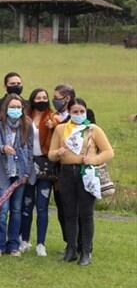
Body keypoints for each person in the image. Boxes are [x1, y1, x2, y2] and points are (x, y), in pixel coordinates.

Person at [49, 98, 113, 266]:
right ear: (69, 112)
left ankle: (86, 251)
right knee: (69, 212)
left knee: (86, 214)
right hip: (67, 173)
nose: (78, 114)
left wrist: (93, 159)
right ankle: (71, 248)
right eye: (75, 112)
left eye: (81, 111)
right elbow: (51, 153)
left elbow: (108, 152)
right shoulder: (61, 129)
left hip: (86, 173)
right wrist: (58, 153)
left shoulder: (92, 129)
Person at [0, 95, 33, 256]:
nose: (15, 110)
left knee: (16, 209)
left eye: (18, 107)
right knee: (2, 209)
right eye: (12, 107)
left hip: (20, 172)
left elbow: (29, 149)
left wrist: (26, 172)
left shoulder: (27, 125)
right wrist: (3, 149)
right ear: (6, 108)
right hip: (2, 172)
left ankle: (13, 245)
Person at [20, 88, 57, 257]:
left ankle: (41, 243)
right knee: (26, 204)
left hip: (45, 166)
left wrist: (53, 126)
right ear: (32, 99)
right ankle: (24, 240)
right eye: (38, 97)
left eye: (44, 97)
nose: (41, 100)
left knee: (42, 207)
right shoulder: (25, 117)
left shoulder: (52, 117)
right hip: (28, 163)